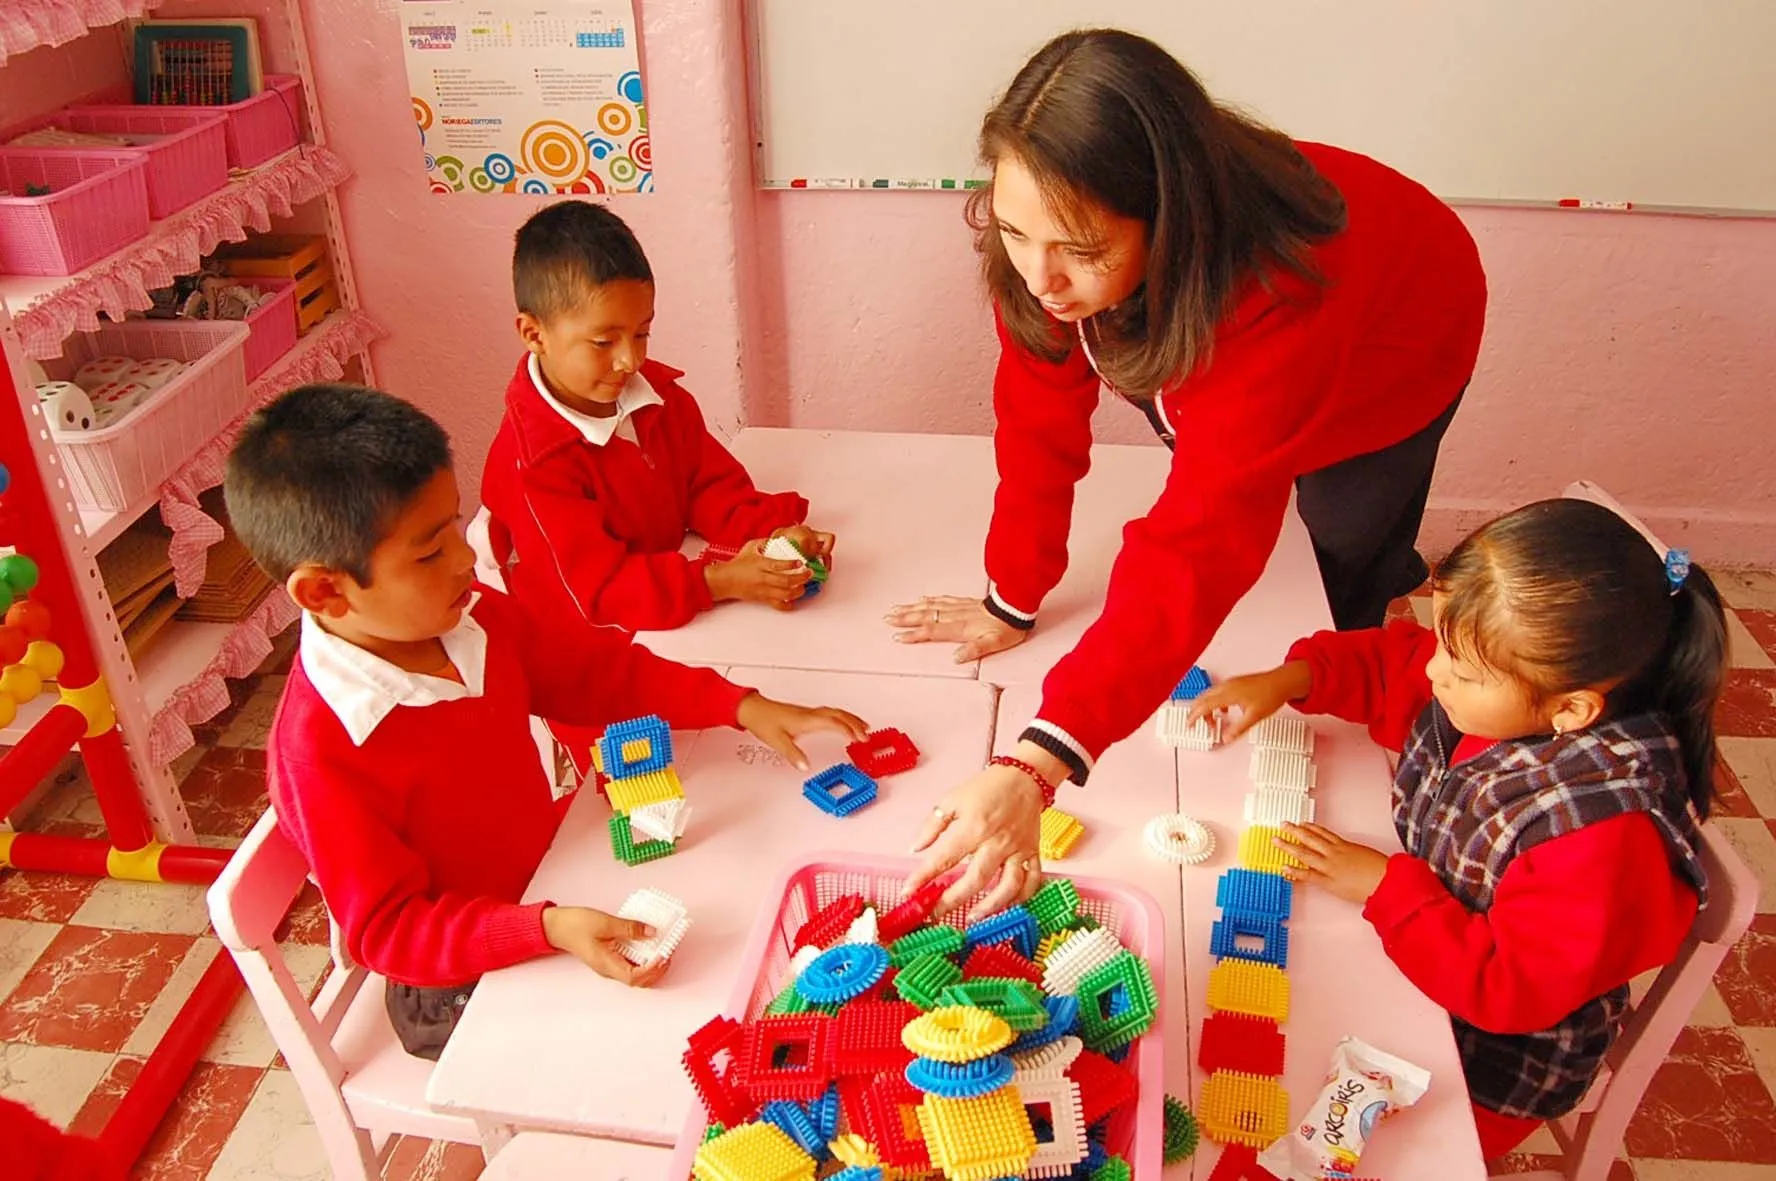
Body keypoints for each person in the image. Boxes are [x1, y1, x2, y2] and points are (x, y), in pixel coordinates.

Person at [888, 28, 1486, 912]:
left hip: (1401, 342)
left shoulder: (1279, 298)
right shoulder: (1047, 249)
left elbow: (1197, 542)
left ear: (1170, 221)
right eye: (1015, 231)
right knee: (1232, 466)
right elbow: (1037, 423)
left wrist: (1040, 758)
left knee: (1344, 546)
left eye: (1081, 250)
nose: (1041, 276)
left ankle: (1346, 671)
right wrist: (1013, 594)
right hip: (1239, 334)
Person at [227, 383, 865, 1058]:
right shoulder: (321, 751)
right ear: (325, 590)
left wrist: (736, 704)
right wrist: (545, 928)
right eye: (428, 551)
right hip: (455, 978)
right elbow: (392, 932)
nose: (466, 559)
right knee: (641, 1052)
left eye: (453, 526)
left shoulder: (469, 617)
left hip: (552, 884)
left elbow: (596, 673)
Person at [1188, 499, 1724, 1158]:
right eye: (1444, 642)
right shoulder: (1508, 696)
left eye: (1463, 670)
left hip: (1489, 1064)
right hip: (1425, 959)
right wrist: (1292, 677)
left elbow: (1506, 989)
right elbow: (1395, 664)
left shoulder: (1602, 842)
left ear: (1571, 709)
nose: (1435, 669)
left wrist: (1385, 885)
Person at [483, 200, 833, 633]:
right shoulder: (535, 462)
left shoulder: (663, 401)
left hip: (665, 603)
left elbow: (709, 487)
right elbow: (595, 593)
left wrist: (776, 539)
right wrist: (718, 581)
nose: (630, 360)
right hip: (574, 638)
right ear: (534, 335)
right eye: (603, 342)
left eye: (641, 333)